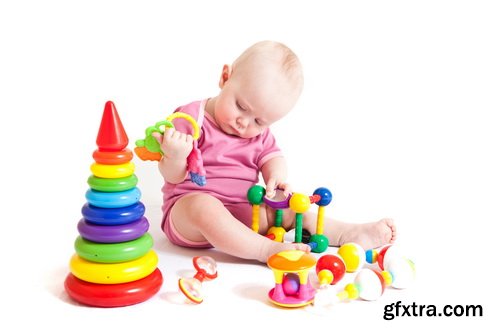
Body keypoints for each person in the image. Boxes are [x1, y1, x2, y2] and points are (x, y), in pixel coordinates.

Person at [153, 40, 396, 263]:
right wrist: (174, 155)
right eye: (240, 106)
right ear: (225, 77)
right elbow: (172, 176)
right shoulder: (190, 119)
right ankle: (264, 250)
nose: (244, 123)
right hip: (189, 220)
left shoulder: (258, 134)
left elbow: (272, 156)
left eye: (259, 121)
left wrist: (276, 178)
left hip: (250, 213)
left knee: (290, 207)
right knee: (203, 206)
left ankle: (349, 233)